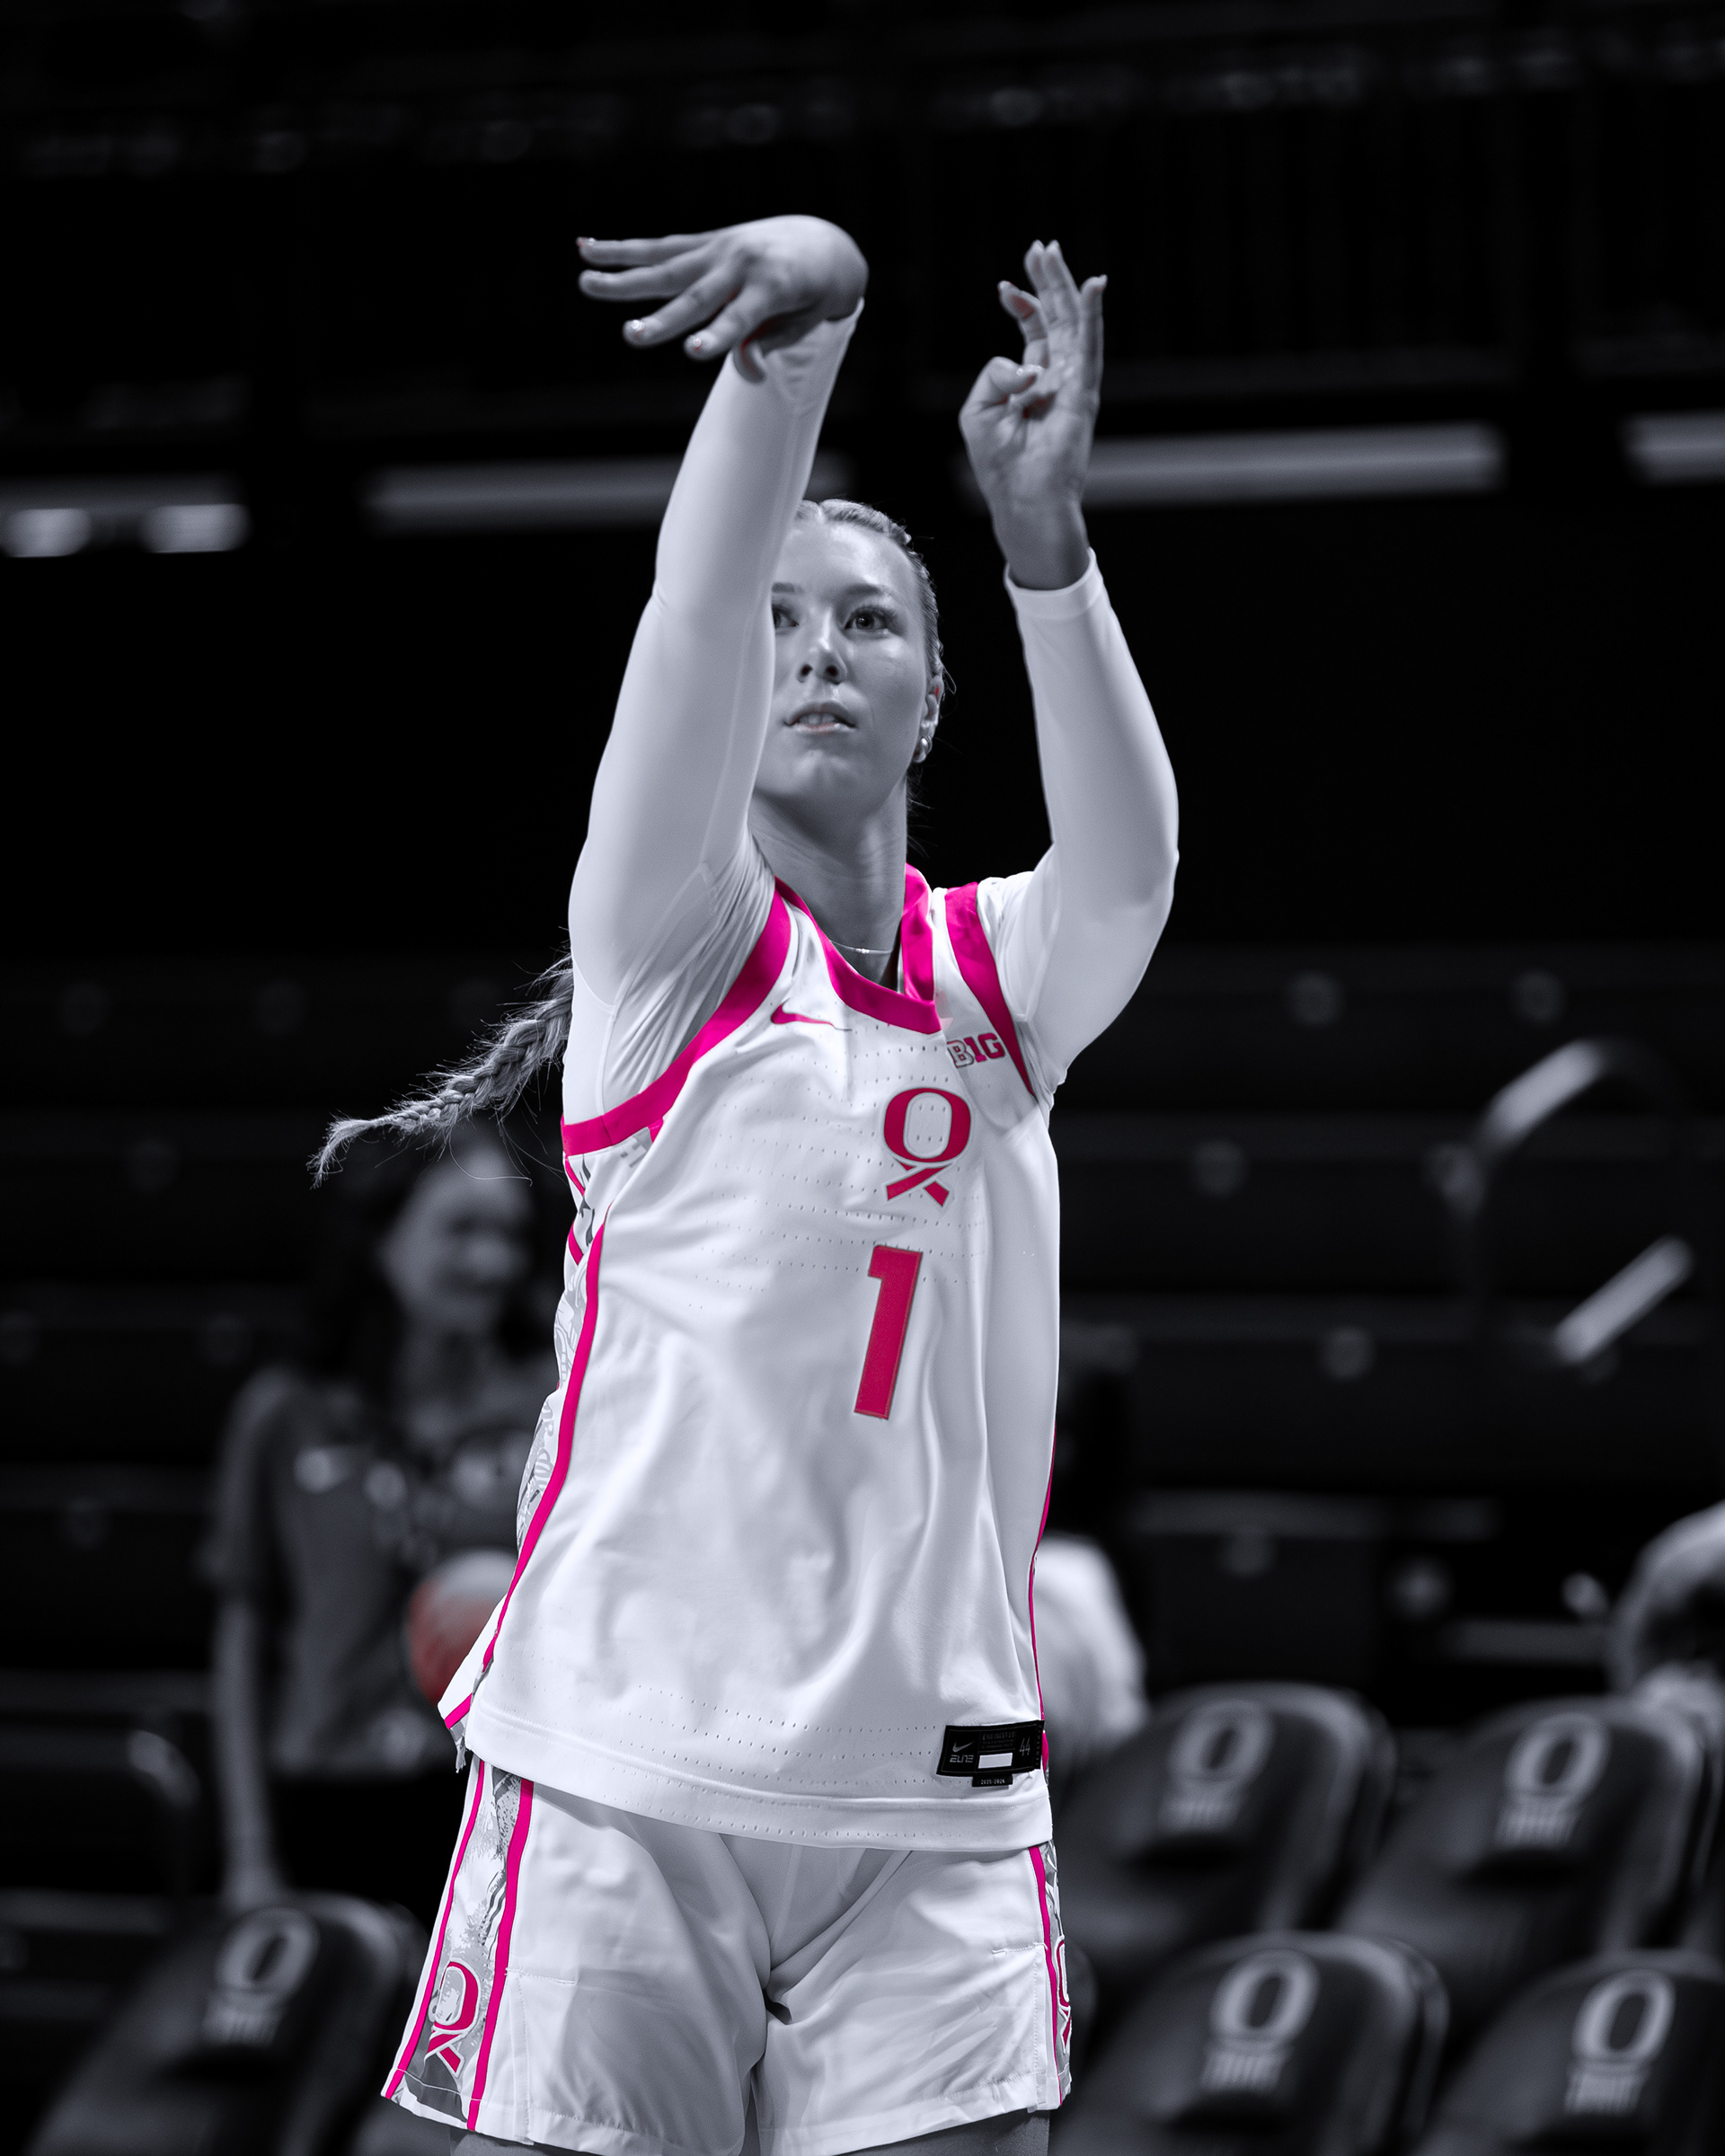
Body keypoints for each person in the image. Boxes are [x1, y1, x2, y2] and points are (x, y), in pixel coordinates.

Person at [330, 212, 1178, 2155]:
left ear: (932, 695)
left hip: (936, 1796)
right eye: (790, 622)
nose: (815, 653)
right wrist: (796, 344)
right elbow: (690, 614)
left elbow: (1133, 872)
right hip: (628, 1771)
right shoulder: (671, 947)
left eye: (869, 623)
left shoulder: (1000, 979)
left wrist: (1046, 551)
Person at [209, 1132, 555, 1927]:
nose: (492, 1262)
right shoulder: (284, 1415)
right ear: (381, 1237)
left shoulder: (552, 1404)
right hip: (328, 1803)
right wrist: (250, 1854)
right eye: (461, 1229)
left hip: (493, 1800)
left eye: (509, 1234)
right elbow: (243, 1643)